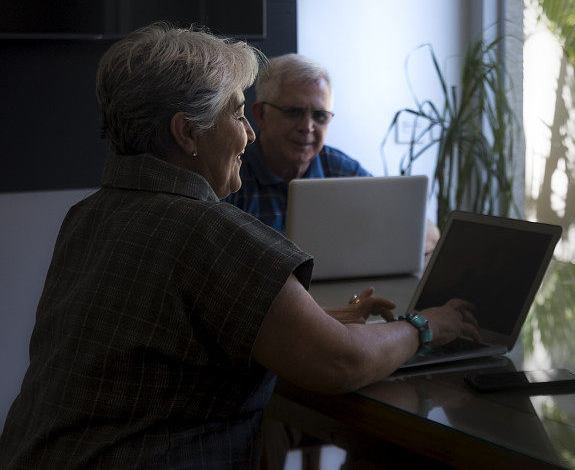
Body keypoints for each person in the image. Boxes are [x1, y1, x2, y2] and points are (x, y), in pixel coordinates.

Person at [0, 24, 478, 468]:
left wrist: (315, 318)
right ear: (186, 132)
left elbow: (173, 337)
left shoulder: (87, 217)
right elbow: (342, 363)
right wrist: (426, 324)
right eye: (236, 112)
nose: (248, 132)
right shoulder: (209, 233)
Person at [225, 54, 440, 252]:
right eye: (293, 112)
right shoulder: (231, 175)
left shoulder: (341, 170)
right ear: (261, 115)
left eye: (319, 115)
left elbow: (429, 232)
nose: (307, 127)